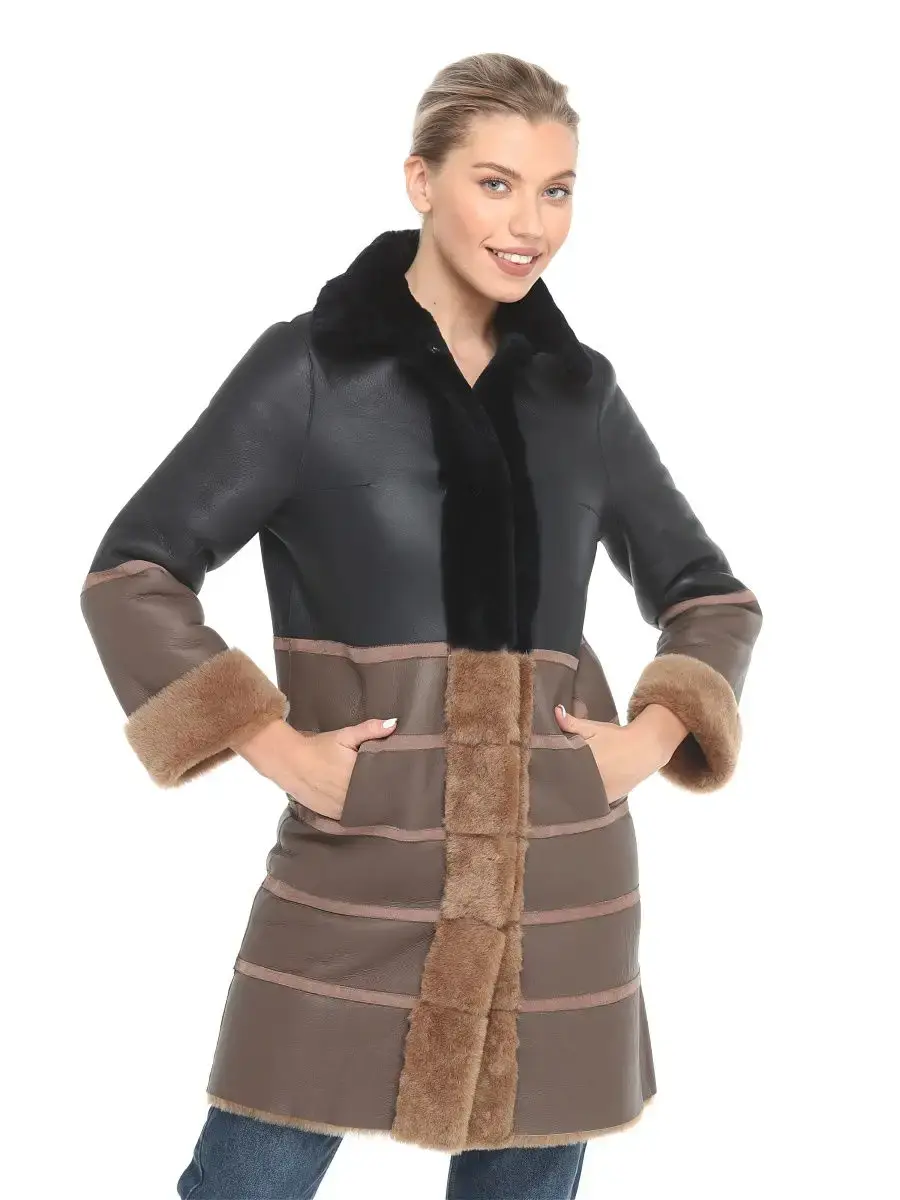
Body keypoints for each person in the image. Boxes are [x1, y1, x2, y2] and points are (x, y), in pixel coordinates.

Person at [79, 51, 763, 1200]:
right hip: (361, 866)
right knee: (245, 1181)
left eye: (557, 189)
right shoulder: (311, 370)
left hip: (559, 879)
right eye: (496, 184)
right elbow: (133, 573)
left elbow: (711, 595)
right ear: (420, 181)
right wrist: (277, 746)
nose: (531, 223)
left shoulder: (578, 394)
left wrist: (645, 741)